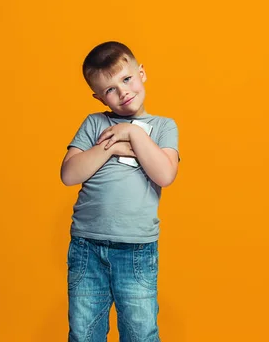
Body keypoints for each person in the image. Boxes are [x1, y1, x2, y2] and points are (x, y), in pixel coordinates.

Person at [60, 41, 180, 341]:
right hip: (88, 245)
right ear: (99, 97)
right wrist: (114, 147)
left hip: (136, 248)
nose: (123, 91)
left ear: (141, 73)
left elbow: (165, 174)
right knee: (84, 332)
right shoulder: (94, 123)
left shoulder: (164, 127)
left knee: (140, 333)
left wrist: (132, 133)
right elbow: (69, 173)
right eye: (110, 89)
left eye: (126, 79)